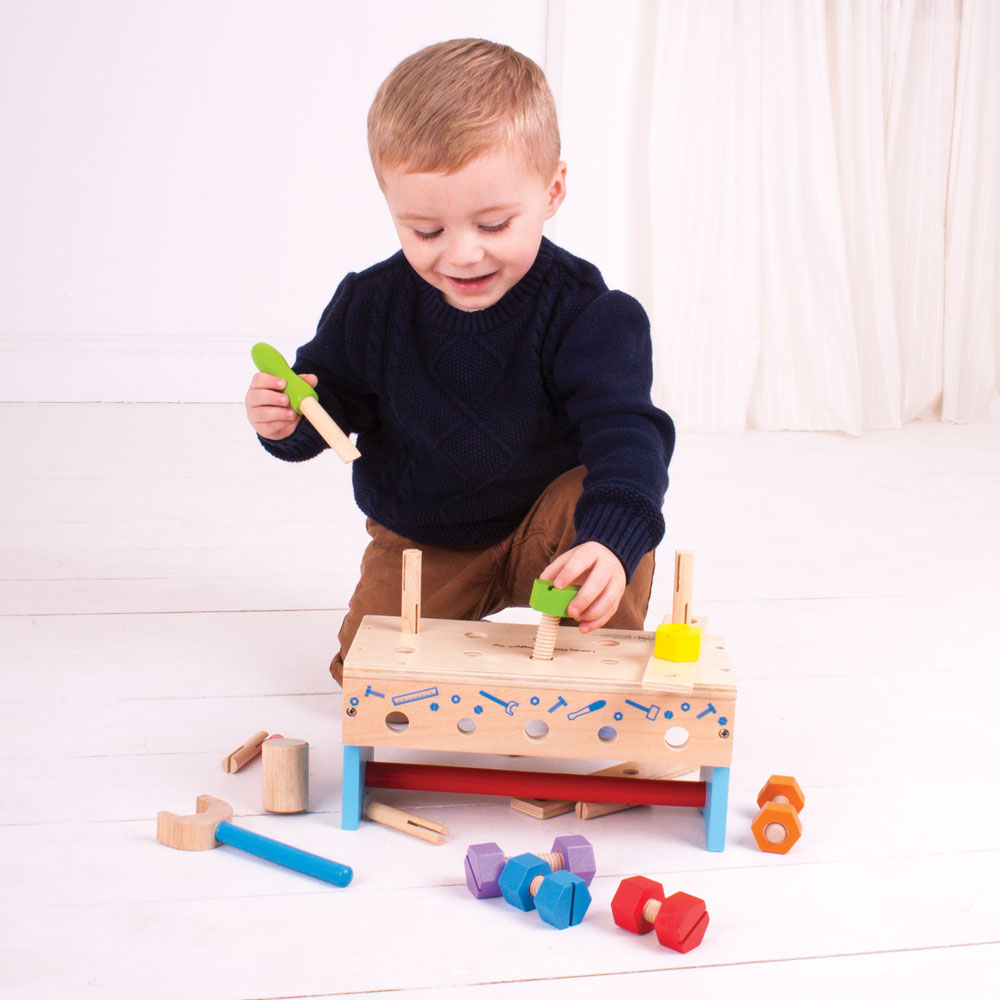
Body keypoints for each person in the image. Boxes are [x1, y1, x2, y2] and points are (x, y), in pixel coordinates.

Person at [244, 38, 675, 686]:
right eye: (426, 231)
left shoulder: (590, 313)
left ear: (553, 190)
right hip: (424, 537)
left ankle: (606, 673)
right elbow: (330, 400)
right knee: (361, 679)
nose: (463, 255)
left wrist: (611, 541)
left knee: (603, 504)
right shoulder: (372, 304)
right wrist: (289, 418)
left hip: (549, 538)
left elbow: (627, 436)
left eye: (495, 223)